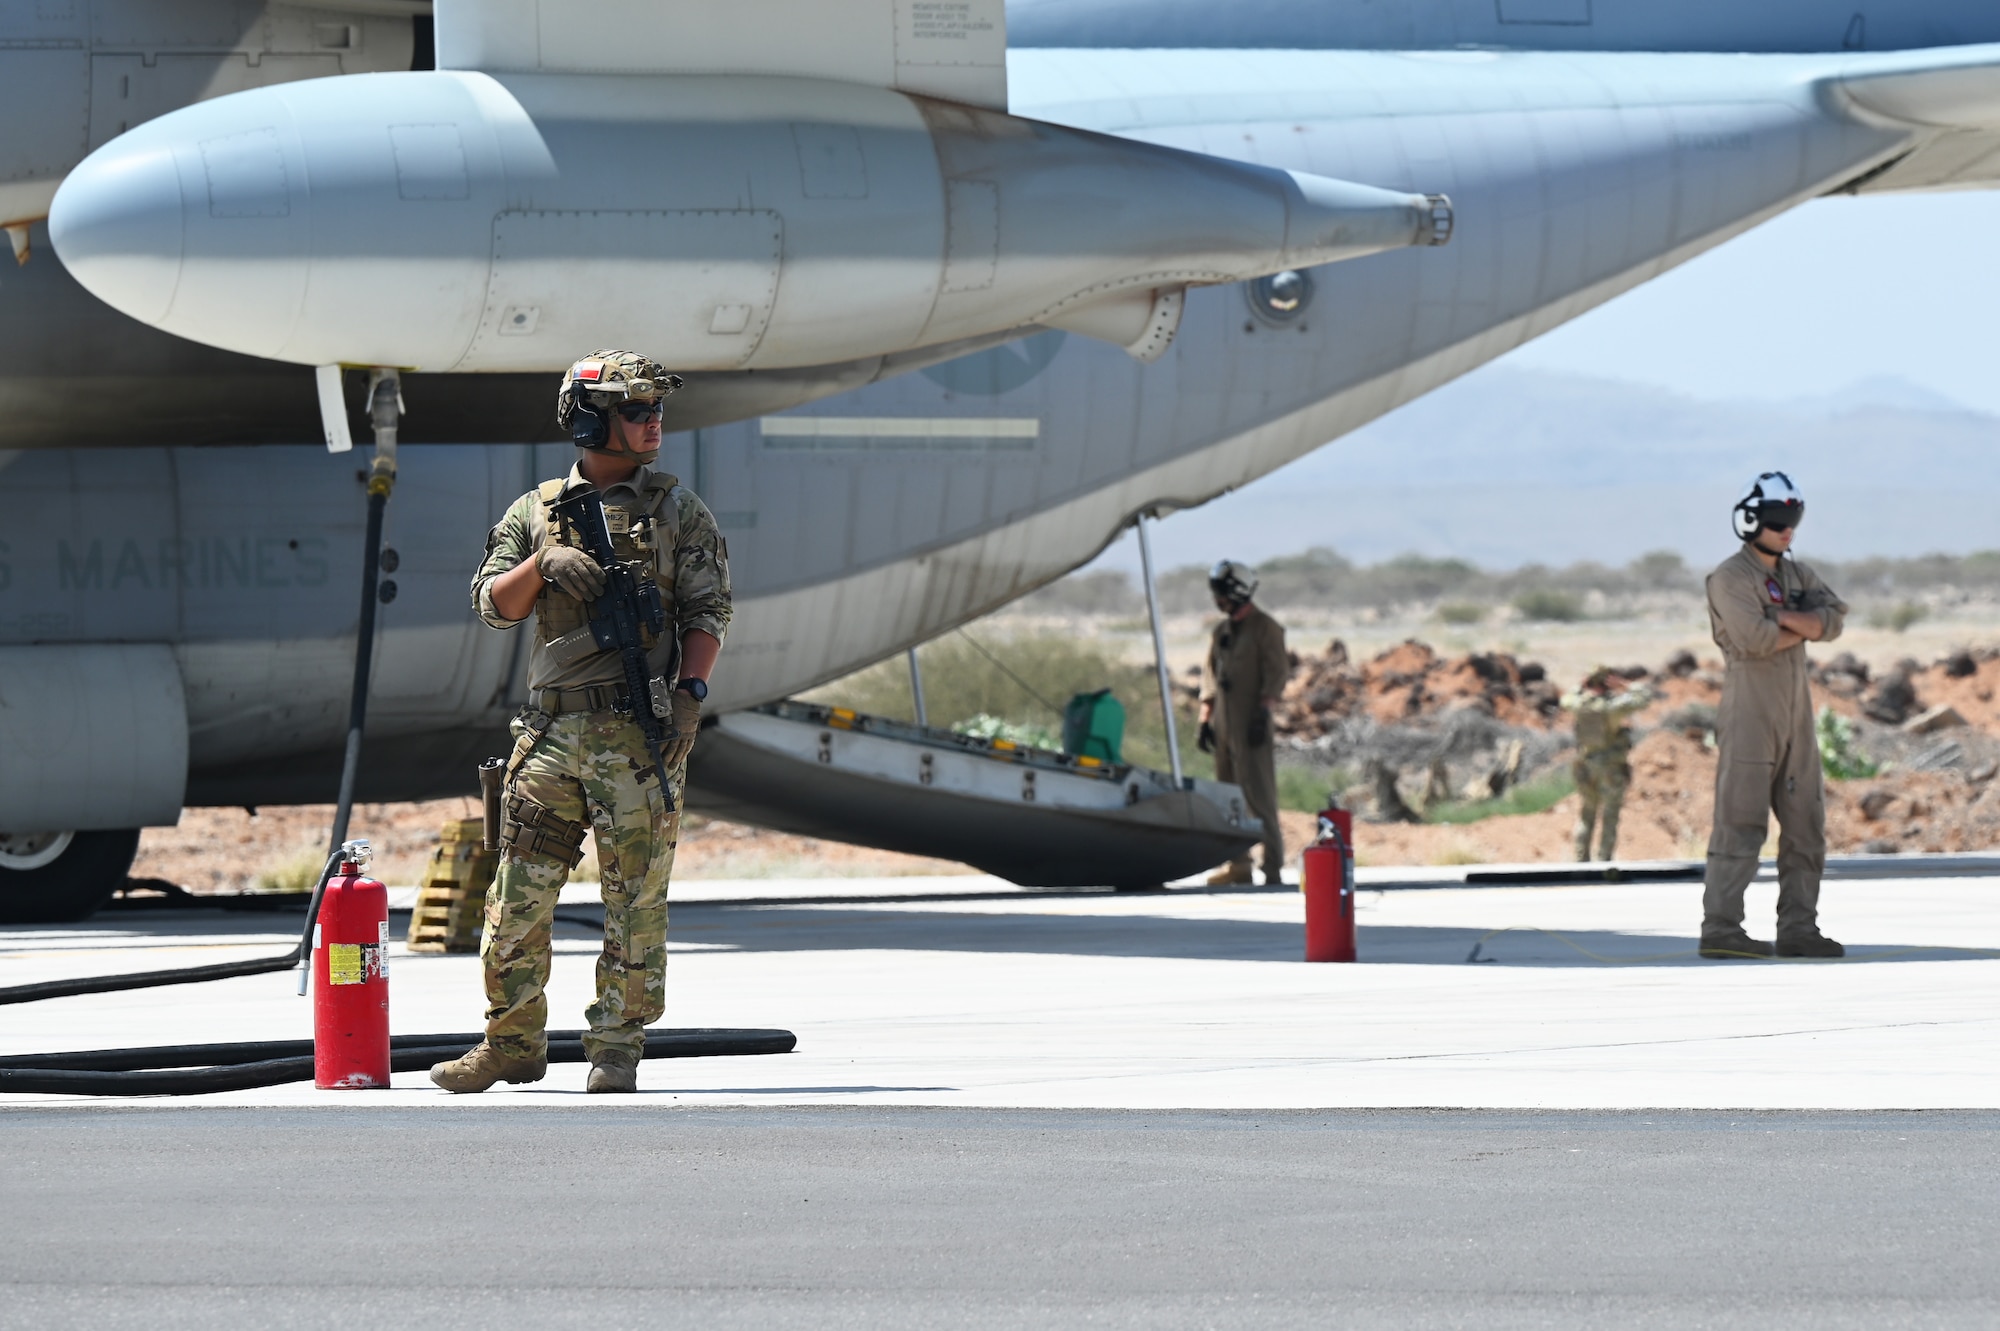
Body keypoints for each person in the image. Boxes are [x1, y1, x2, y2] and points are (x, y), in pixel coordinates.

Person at [432, 349, 732, 1093]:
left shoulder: (678, 511)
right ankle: (511, 1043)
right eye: (636, 410)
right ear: (593, 419)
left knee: (633, 898)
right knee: (516, 896)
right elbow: (490, 605)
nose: (653, 421)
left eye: (656, 408)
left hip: (637, 735)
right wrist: (544, 565)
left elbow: (709, 610)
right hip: (549, 734)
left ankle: (615, 1046)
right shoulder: (535, 512)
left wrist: (691, 689)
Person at [1700, 472, 1847, 960]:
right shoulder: (1729, 577)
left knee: (1806, 821)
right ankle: (1722, 928)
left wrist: (1784, 619)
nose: (1788, 530)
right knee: (1741, 821)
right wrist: (1802, 624)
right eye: (1779, 520)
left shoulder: (1795, 574)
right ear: (1752, 521)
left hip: (1795, 708)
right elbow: (1754, 640)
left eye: (1794, 519)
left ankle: (1799, 929)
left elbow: (1834, 619)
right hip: (1750, 706)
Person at [1198, 560, 1290, 885]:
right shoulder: (1221, 632)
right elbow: (1210, 676)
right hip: (1224, 723)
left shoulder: (1266, 628)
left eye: (1221, 594)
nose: (1217, 601)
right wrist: (1206, 717)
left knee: (1259, 795)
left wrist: (1264, 709)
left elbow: (1277, 672)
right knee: (1228, 795)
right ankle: (1238, 866)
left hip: (1252, 723)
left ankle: (1273, 867)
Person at [1561, 667, 1651, 862]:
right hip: (1610, 767)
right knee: (1610, 815)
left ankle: (1580, 861)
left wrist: (1580, 686)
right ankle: (1603, 861)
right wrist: (1625, 685)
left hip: (1585, 765)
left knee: (1587, 813)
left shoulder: (1578, 705)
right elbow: (1644, 698)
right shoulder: (1613, 707)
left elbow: (1565, 699)